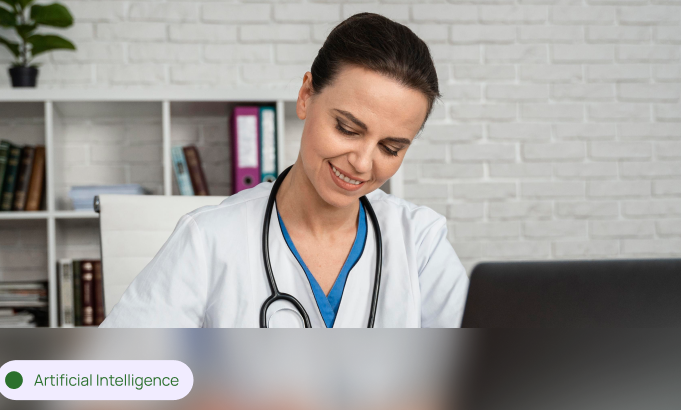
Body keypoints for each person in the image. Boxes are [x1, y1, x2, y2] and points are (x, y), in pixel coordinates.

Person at [101, 13, 468, 328]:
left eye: (390, 148)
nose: (361, 163)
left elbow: (485, 372)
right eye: (347, 129)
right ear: (306, 95)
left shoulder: (420, 242)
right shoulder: (209, 240)